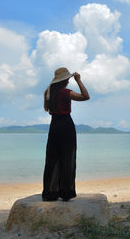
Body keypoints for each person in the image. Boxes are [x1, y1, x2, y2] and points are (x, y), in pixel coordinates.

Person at [42, 67, 90, 201]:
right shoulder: (66, 92)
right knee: (67, 157)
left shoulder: (47, 92)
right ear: (65, 80)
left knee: (52, 158)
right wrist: (79, 81)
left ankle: (50, 192)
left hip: (54, 126)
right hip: (66, 125)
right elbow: (86, 96)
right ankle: (66, 192)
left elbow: (47, 109)